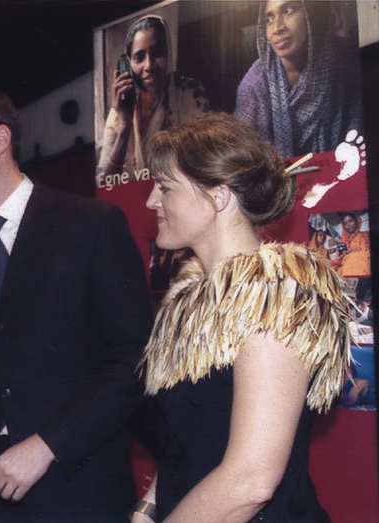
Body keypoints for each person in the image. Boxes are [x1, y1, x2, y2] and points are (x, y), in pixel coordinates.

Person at [0, 84, 153, 521]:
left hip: (76, 487)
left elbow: (135, 359)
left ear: (0, 139)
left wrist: (48, 444)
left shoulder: (91, 225)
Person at [133, 113, 352, 522]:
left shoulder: (277, 295)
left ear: (218, 196)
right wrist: (146, 510)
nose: (151, 201)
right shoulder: (188, 305)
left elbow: (251, 482)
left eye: (165, 188)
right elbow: (184, 442)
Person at [234, 1, 363, 158]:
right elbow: (241, 158)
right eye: (269, 19)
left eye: (288, 11)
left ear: (311, 13)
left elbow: (358, 134)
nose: (277, 28)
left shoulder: (343, 64)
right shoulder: (253, 87)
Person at [97, 14, 209, 178]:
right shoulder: (120, 109)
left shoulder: (189, 95)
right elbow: (104, 182)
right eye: (139, 57)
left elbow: (203, 165)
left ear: (168, 52)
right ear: (128, 64)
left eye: (158, 53)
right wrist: (125, 127)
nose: (149, 65)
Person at [334, 211, 370, 276]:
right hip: (347, 267)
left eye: (350, 221)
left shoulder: (367, 234)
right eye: (345, 223)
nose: (348, 224)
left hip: (364, 265)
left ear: (356, 221)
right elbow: (338, 261)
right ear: (344, 227)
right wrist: (339, 258)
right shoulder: (343, 243)